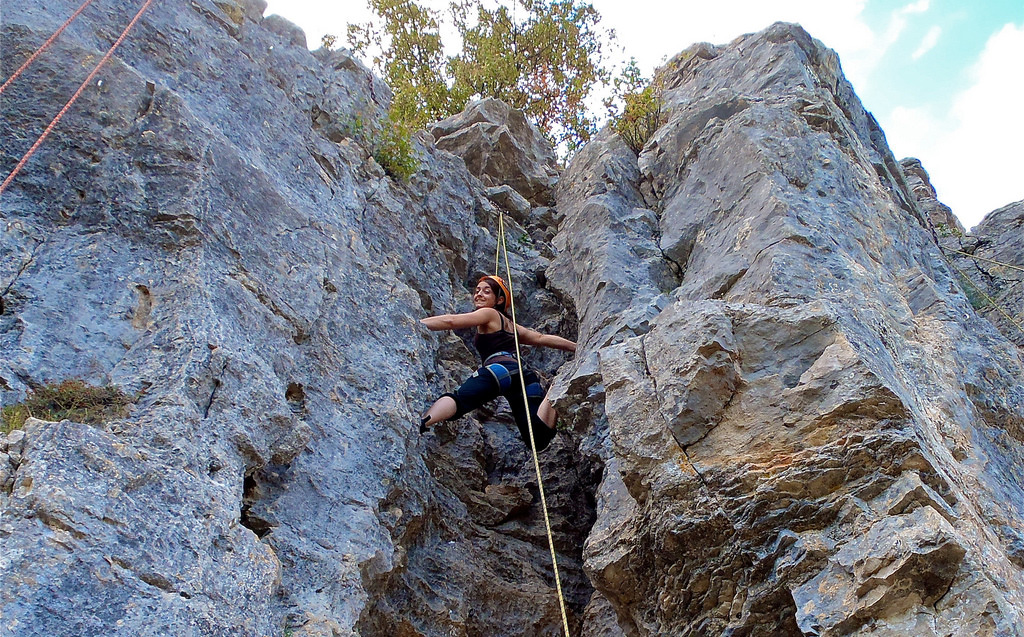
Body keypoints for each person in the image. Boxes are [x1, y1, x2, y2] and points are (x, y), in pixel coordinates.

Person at [419, 275, 577, 452]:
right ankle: (557, 388)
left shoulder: (489, 313)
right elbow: (541, 338)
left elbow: (451, 321)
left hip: (500, 369)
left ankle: (424, 420)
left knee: (460, 399)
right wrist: (577, 348)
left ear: (499, 300)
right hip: (524, 378)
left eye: (487, 291)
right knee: (538, 439)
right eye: (477, 290)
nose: (479, 294)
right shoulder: (510, 325)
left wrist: (418, 324)